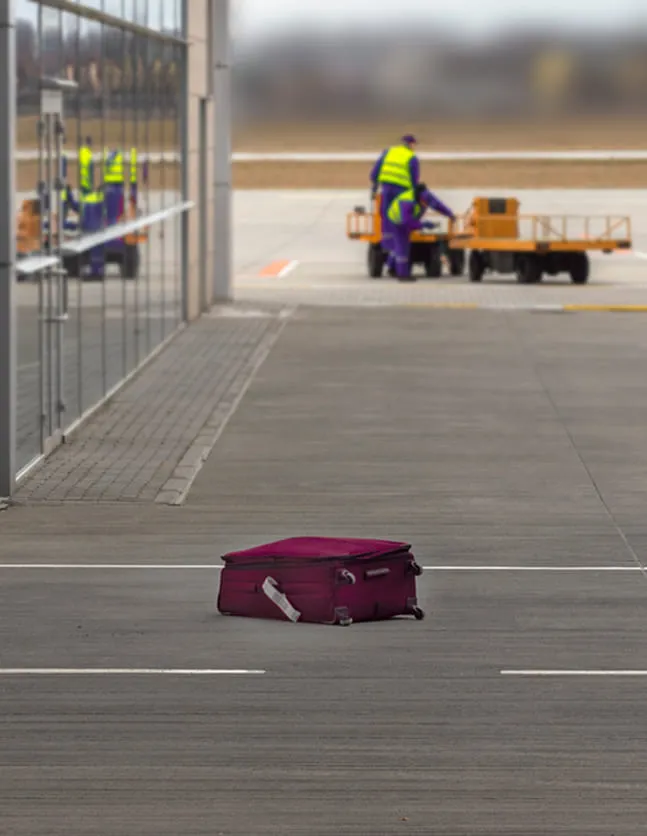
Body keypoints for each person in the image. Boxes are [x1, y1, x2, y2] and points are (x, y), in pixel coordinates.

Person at [386, 182, 455, 281]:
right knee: (403, 247)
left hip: (409, 218)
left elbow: (438, 205)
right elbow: (407, 222)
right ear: (419, 198)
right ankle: (402, 275)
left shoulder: (427, 196)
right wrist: (423, 225)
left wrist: (449, 214)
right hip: (397, 221)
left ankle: (392, 267)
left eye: (427, 203)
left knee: (399, 246)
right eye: (424, 202)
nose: (426, 205)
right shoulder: (407, 201)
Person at [369, 134, 420, 257]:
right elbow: (414, 180)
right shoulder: (412, 157)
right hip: (402, 193)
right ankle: (400, 246)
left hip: (386, 190)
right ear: (411, 144)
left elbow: (375, 173)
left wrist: (375, 188)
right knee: (400, 217)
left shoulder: (388, 152)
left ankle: (387, 246)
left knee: (386, 216)